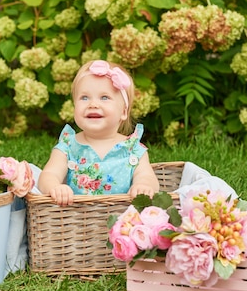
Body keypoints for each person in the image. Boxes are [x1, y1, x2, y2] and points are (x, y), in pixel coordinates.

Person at [38, 60, 159, 205]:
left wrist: (143, 186)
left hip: (123, 218)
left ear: (124, 111)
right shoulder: (67, 146)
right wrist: (55, 187)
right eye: (84, 97)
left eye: (104, 97)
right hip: (76, 219)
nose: (93, 104)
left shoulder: (133, 149)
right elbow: (49, 174)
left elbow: (147, 176)